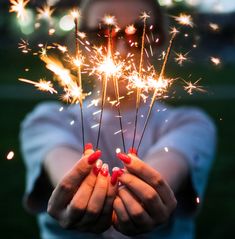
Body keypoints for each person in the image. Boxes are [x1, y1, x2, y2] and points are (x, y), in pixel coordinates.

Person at [20, 0, 216, 238]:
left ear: (159, 40)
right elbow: (68, 178)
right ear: (80, 43)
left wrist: (136, 200)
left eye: (139, 33)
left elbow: (154, 186)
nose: (121, 50)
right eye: (104, 34)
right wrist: (79, 194)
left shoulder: (190, 124)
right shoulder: (47, 121)